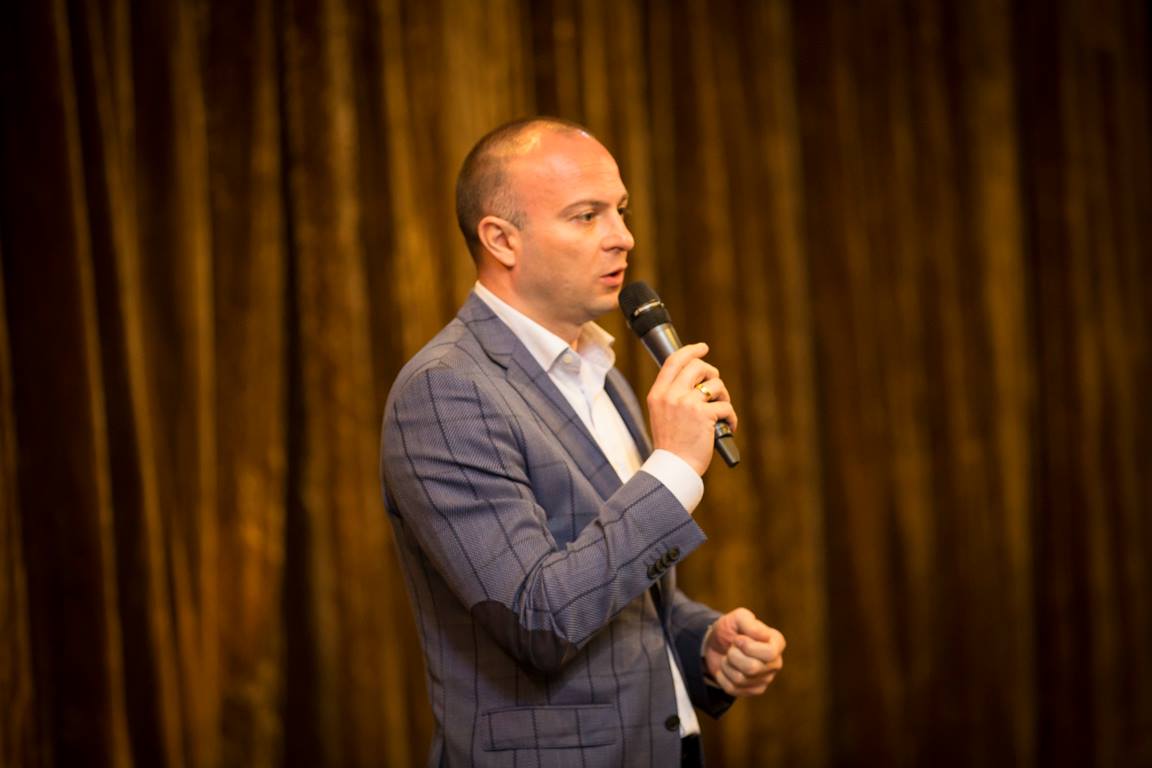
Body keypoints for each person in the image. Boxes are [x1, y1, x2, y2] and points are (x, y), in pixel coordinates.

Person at [379, 116, 786, 767]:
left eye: (621, 210)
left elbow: (621, 590)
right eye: (587, 215)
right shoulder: (447, 390)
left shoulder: (600, 371)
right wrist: (676, 465)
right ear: (502, 239)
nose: (623, 237)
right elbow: (537, 617)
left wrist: (699, 639)